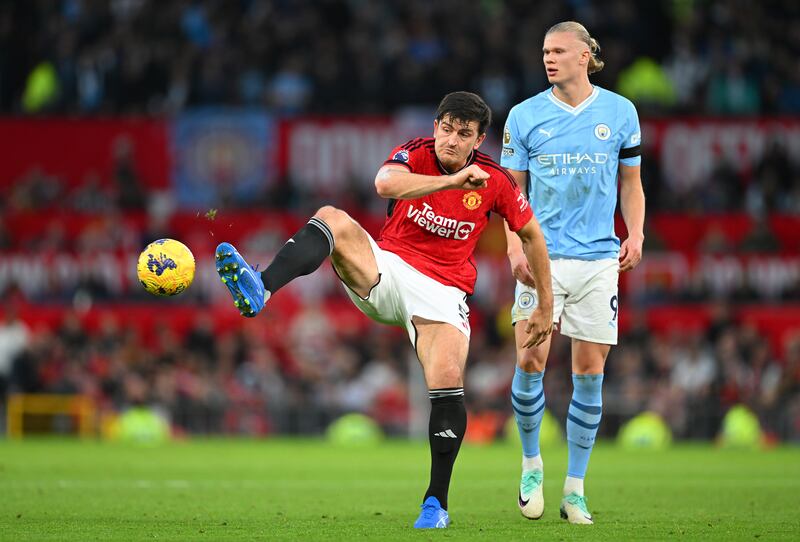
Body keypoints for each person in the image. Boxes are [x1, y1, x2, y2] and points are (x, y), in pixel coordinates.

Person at [215, 91, 554, 529]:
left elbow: (533, 237)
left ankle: (436, 503)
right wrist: (451, 182)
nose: (451, 140)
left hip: (444, 290)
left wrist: (546, 303)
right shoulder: (415, 152)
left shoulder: (497, 180)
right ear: (436, 127)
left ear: (479, 139)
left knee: (448, 382)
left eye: (464, 134)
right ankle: (261, 287)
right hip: (387, 269)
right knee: (332, 217)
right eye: (446, 129)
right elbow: (384, 184)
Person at [500, 21, 646, 525]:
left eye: (559, 50)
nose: (549, 58)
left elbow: (632, 183)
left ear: (586, 56)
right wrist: (514, 251)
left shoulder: (620, 112)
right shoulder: (524, 116)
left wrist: (637, 232)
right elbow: (507, 196)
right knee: (530, 363)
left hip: (600, 261)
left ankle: (575, 489)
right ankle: (531, 464)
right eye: (544, 51)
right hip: (541, 261)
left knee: (589, 373)